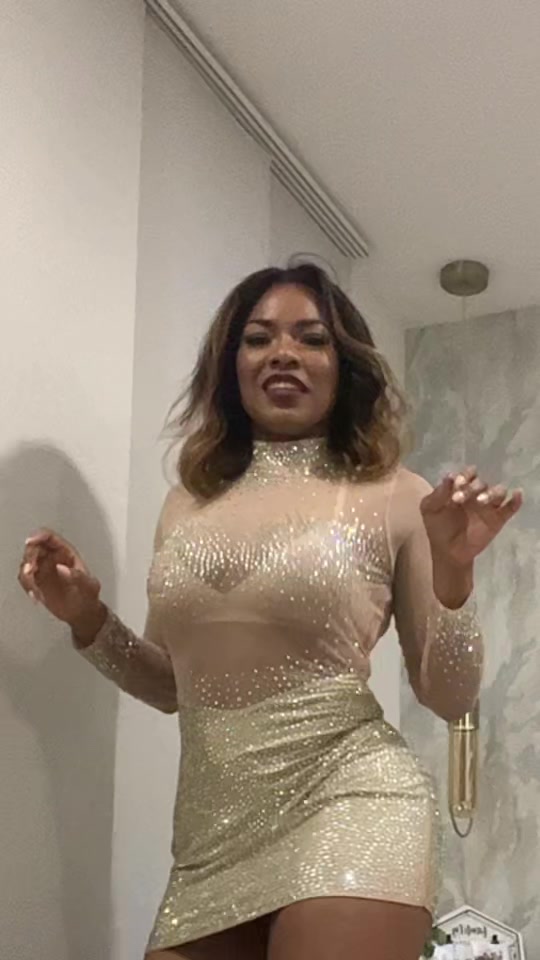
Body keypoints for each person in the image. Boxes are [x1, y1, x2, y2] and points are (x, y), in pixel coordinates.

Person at [18, 263, 522, 960]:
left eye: (311, 338)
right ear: (232, 366)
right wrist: (88, 619)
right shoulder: (185, 504)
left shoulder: (395, 493)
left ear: (343, 366)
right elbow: (173, 686)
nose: (283, 352)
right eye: (259, 338)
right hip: (209, 841)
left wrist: (456, 574)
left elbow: (450, 694)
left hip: (351, 803)